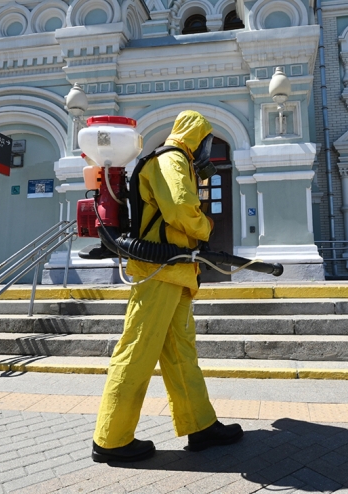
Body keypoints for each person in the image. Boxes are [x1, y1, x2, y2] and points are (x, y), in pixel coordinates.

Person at [91, 110, 243, 463]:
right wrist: (205, 227)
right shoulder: (171, 159)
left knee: (181, 354)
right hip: (158, 271)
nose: (207, 149)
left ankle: (201, 425)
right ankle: (111, 439)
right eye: (206, 141)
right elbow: (178, 208)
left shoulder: (180, 163)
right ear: (194, 137)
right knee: (136, 352)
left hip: (174, 271)